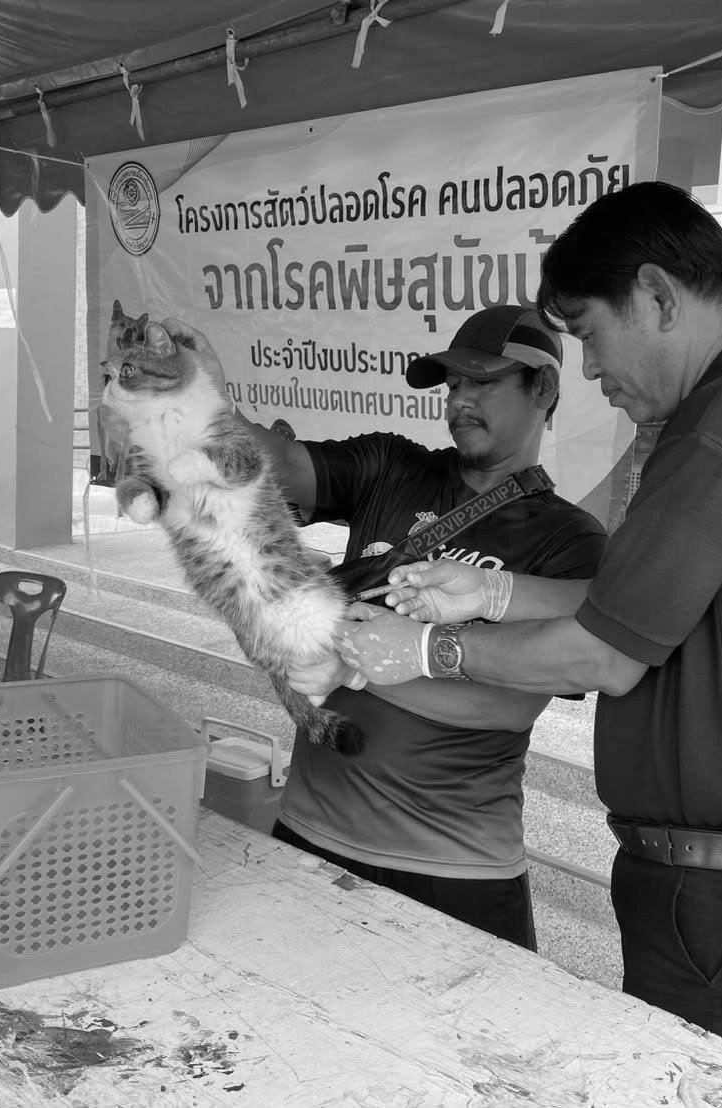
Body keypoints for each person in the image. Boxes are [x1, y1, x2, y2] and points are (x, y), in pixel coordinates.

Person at [327, 181, 722, 1070]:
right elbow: (642, 603)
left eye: (589, 331)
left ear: (657, 295)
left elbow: (603, 654)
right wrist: (493, 593)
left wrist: (427, 647)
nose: (590, 369)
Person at [233, 305, 607, 950]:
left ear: (543, 388)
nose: (460, 400)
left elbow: (510, 704)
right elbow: (281, 465)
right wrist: (200, 400)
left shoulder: (570, 539)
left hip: (454, 865)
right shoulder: (392, 466)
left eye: (482, 382)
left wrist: (361, 657)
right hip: (309, 832)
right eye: (452, 385)